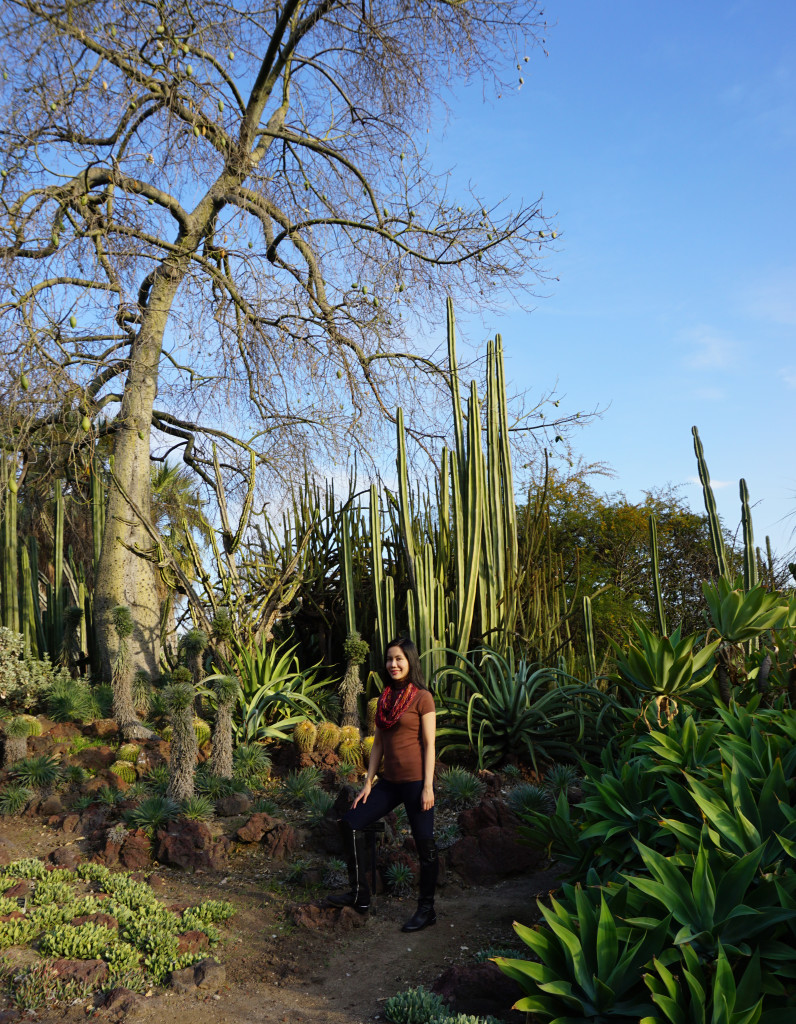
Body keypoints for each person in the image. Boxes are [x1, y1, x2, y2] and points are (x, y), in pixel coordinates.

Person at [326, 636, 438, 932]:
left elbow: (429, 745)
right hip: (389, 783)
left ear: (410, 661)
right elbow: (377, 746)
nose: (393, 664)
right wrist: (367, 783)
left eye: (399, 658)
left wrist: (428, 786)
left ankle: (427, 910)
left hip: (416, 783)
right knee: (350, 822)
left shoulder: (423, 698)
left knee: (425, 845)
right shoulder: (385, 699)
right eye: (389, 659)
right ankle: (360, 896)